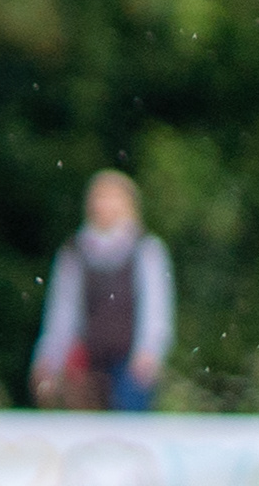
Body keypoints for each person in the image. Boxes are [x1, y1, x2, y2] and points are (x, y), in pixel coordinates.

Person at [30, 169, 174, 411]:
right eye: (100, 197)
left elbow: (156, 307)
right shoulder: (75, 251)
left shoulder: (146, 249)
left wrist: (149, 352)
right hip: (88, 362)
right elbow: (63, 311)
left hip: (130, 363)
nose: (104, 205)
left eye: (112, 197)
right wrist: (49, 358)